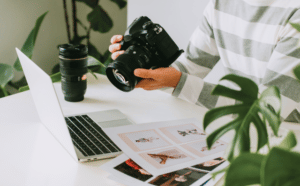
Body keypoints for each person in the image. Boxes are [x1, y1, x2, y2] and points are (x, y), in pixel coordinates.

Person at [109, 0, 300, 123]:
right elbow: (188, 69)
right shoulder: (220, 5)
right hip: (239, 126)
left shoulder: (295, 13)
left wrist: (177, 81)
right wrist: (142, 64)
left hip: (289, 138)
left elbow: (268, 111)